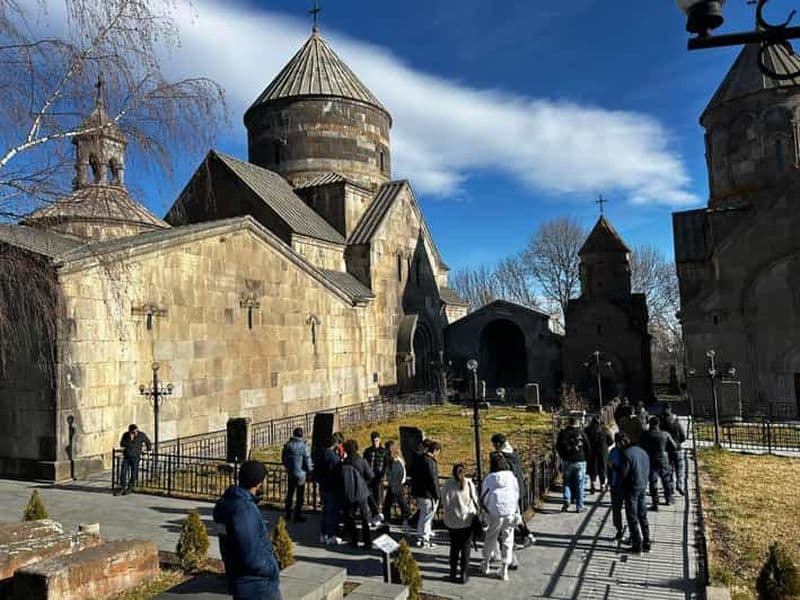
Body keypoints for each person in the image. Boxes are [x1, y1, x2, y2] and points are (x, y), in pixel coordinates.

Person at [213, 460, 281, 600]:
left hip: (240, 580)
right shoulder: (243, 509)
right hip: (257, 586)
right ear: (259, 483)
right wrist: (272, 567)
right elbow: (251, 555)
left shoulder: (227, 503)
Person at [480, 453, 520, 582]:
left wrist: (487, 509)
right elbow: (516, 493)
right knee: (508, 540)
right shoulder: (511, 477)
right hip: (510, 512)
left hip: (495, 512)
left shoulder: (490, 479)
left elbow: (484, 497)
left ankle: (486, 564)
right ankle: (504, 570)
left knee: (491, 538)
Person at [491, 433, 535, 546]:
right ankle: (526, 535)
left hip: (508, 491)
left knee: (511, 516)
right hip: (517, 488)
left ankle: (523, 536)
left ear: (498, 444)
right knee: (516, 514)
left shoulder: (501, 457)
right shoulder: (513, 454)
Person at [441, 463, 479, 584]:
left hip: (452, 521)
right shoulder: (469, 483)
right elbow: (475, 500)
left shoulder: (447, 484)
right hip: (467, 520)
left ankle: (452, 573)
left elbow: (444, 503)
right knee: (466, 548)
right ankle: (464, 574)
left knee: (454, 548)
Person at [619, 432, 651, 555]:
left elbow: (624, 474)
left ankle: (636, 544)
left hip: (631, 488)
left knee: (632, 516)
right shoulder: (642, 451)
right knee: (642, 514)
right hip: (642, 485)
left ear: (622, 443)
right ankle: (646, 542)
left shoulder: (626, 454)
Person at [341, 439, 374, 548]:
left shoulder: (343, 463)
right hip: (362, 492)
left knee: (350, 517)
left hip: (348, 493)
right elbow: (371, 475)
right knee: (365, 518)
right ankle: (367, 541)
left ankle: (354, 539)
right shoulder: (362, 461)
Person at [313, 434, 344, 546]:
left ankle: (323, 534)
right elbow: (339, 474)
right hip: (333, 488)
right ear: (335, 444)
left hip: (323, 487)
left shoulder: (320, 455)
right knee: (331, 512)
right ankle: (331, 536)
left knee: (325, 511)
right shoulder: (334, 458)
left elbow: (315, 471)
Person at [640, 416, 677, 510]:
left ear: (650, 424)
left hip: (650, 460)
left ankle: (655, 503)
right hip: (663, 460)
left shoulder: (645, 435)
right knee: (666, 480)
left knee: (653, 481)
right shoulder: (665, 434)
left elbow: (641, 446)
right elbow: (674, 446)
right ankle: (668, 499)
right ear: (658, 424)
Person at [556, 417, 591, 512]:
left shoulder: (563, 433)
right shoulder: (582, 433)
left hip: (567, 460)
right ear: (578, 424)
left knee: (567, 482)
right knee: (579, 484)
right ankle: (579, 506)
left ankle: (566, 500)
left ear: (568, 423)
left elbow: (558, 447)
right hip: (580, 460)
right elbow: (588, 447)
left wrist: (563, 456)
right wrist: (586, 458)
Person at [410, 439, 441, 548]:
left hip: (419, 492)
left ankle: (420, 536)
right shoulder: (430, 461)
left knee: (423, 515)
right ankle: (425, 538)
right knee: (428, 516)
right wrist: (438, 494)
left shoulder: (419, 459)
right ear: (435, 450)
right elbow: (433, 480)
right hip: (428, 494)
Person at [281, 427, 313, 523]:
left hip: (291, 473)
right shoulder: (304, 446)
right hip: (301, 474)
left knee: (290, 494)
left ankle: (287, 513)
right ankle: (297, 514)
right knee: (300, 495)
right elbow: (307, 461)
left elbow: (283, 458)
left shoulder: (288, 445)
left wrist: (288, 467)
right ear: (301, 435)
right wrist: (310, 471)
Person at [382, 441, 411, 526]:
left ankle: (387, 520)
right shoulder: (398, 459)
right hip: (397, 483)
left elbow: (393, 472)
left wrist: (389, 481)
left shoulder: (395, 460)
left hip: (395, 484)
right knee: (399, 501)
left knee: (390, 503)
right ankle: (405, 516)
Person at [659, 406, 687, 495]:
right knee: (680, 468)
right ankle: (680, 484)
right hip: (677, 448)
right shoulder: (677, 422)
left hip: (667, 449)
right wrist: (678, 442)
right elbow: (683, 436)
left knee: (669, 469)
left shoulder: (662, 423)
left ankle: (670, 487)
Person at [118, 424, 151, 495]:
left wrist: (148, 450)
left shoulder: (141, 435)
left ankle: (130, 486)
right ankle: (122, 486)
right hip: (127, 456)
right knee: (123, 472)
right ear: (130, 431)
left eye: (136, 431)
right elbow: (122, 444)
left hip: (136, 457)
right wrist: (129, 440)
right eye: (133, 432)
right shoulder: (126, 435)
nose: (135, 433)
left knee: (134, 472)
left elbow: (148, 442)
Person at [363, 431, 389, 521]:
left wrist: (383, 476)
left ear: (380, 440)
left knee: (378, 498)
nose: (375, 443)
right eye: (374, 441)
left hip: (378, 478)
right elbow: (364, 463)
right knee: (369, 497)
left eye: (377, 441)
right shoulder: (368, 451)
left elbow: (386, 465)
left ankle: (377, 516)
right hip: (368, 478)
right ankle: (372, 515)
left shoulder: (384, 451)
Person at [584, 416, 612, 494]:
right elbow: (611, 440)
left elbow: (584, 440)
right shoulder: (604, 430)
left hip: (591, 451)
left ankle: (592, 483)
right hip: (603, 451)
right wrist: (606, 446)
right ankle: (602, 485)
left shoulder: (587, 430)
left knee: (592, 468)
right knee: (602, 468)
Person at [606, 432, 627, 541]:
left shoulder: (613, 452)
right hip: (624, 485)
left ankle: (620, 530)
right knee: (627, 510)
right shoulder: (629, 451)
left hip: (617, 483)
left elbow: (609, 467)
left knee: (617, 509)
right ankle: (624, 530)